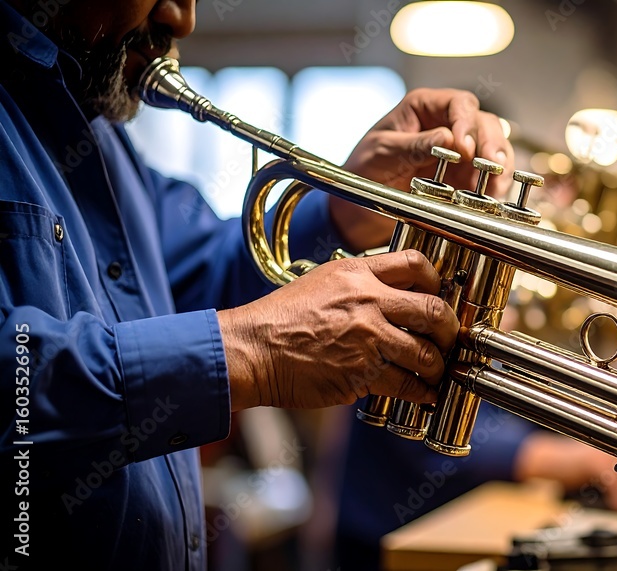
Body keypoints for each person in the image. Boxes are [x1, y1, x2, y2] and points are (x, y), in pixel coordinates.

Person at [0, 0, 514, 568]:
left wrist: (348, 207)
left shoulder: (96, 131)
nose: (181, 18)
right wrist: (250, 352)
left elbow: (201, 274)